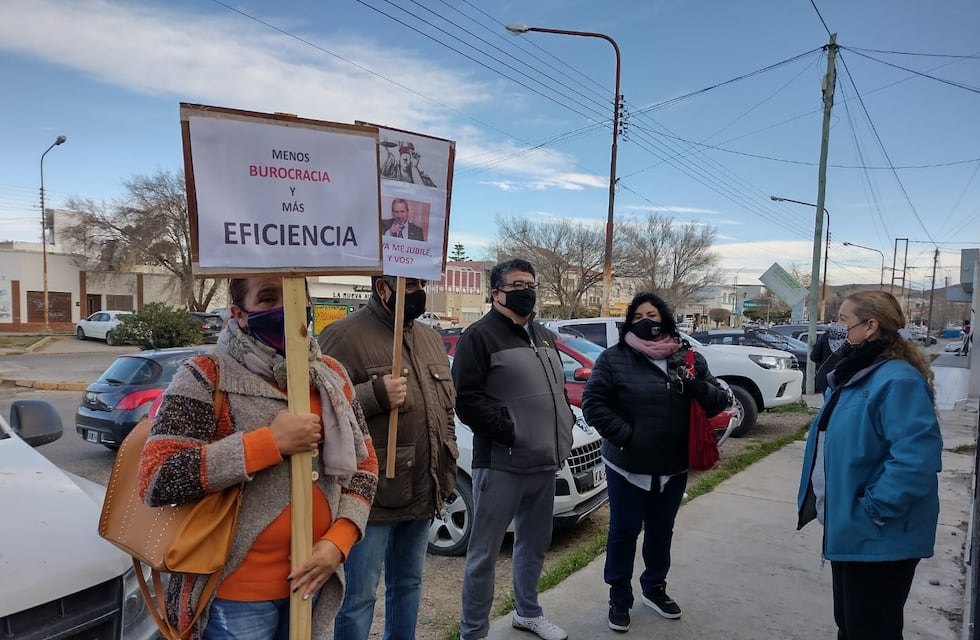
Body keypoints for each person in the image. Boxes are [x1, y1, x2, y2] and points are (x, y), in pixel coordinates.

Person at [138, 276, 379, 640]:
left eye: (296, 295)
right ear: (240, 313)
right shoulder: (206, 375)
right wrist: (267, 444)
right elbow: (157, 477)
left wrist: (340, 540)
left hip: (312, 584)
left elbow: (364, 467)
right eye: (268, 299)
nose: (287, 308)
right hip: (235, 598)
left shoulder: (333, 377)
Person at [797, 290, 942, 639]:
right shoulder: (856, 374)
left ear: (871, 326)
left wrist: (874, 508)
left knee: (871, 630)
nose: (838, 328)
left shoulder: (897, 380)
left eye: (844, 321)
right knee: (851, 625)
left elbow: (916, 459)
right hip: (852, 527)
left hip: (879, 532)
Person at [319, 275, 457, 640]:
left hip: (422, 489)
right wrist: (374, 395)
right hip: (372, 497)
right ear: (383, 288)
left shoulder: (428, 337)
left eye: (421, 284)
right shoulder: (344, 336)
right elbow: (319, 409)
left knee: (408, 585)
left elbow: (444, 408)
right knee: (359, 597)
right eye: (410, 285)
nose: (420, 293)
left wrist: (447, 463)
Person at [581, 292, 729, 633]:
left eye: (653, 314)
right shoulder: (613, 359)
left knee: (662, 532)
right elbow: (593, 403)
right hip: (627, 466)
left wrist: (697, 389)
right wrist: (627, 436)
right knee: (624, 532)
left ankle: (654, 588)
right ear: (629, 322)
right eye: (638, 317)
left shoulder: (687, 356)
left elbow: (717, 400)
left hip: (673, 467)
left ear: (665, 318)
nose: (646, 321)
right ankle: (619, 597)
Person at [452, 258, 574, 640]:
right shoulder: (479, 336)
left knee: (534, 546)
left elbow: (555, 393)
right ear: (496, 292)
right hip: (501, 464)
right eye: (518, 285)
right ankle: (473, 631)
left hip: (543, 463)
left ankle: (528, 612)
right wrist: (510, 431)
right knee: (483, 556)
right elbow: (467, 399)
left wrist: (563, 426)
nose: (527, 291)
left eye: (532, 284)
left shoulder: (542, 335)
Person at [810, 323, 848, 395]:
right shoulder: (850, 337)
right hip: (845, 375)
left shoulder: (825, 337)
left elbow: (814, 357)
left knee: (828, 400)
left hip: (826, 375)